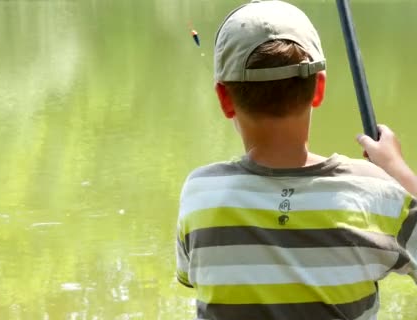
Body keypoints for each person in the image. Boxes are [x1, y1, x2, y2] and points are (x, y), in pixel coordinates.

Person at [175, 1, 417, 320]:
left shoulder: (200, 195)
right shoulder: (372, 192)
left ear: (225, 99)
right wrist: (396, 173)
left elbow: (190, 276)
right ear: (319, 88)